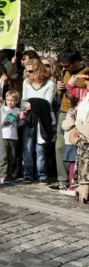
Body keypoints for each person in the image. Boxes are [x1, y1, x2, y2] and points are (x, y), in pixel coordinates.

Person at [55, 51, 89, 190]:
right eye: (62, 66)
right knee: (60, 146)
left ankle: (79, 182)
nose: (65, 68)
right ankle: (63, 180)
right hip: (65, 112)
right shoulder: (64, 71)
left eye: (67, 65)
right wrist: (59, 89)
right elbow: (63, 92)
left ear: (76, 62)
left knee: (79, 149)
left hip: (82, 114)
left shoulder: (86, 71)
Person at [21, 58, 56, 184]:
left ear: (38, 70)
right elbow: (24, 100)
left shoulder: (49, 84)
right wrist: (23, 110)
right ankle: (28, 173)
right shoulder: (26, 82)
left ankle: (42, 174)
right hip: (29, 118)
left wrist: (33, 105)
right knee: (27, 147)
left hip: (43, 119)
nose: (28, 74)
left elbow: (47, 103)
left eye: (31, 71)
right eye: (27, 71)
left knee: (40, 149)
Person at [0, 90, 21, 184]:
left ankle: (9, 175)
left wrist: (22, 118)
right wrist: (13, 117)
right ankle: (2, 175)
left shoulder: (18, 110)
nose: (9, 102)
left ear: (17, 101)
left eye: (12, 100)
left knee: (12, 157)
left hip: (13, 137)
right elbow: (4, 123)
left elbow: (20, 124)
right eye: (7, 100)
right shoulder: (3, 109)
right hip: (3, 136)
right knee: (3, 157)